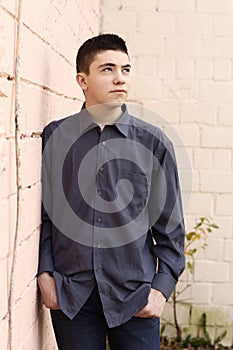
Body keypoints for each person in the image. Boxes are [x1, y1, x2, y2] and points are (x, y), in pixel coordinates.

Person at [37, 33, 185, 350]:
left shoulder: (153, 142)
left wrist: (161, 289)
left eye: (126, 69)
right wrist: (45, 274)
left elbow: (171, 228)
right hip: (72, 296)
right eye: (107, 69)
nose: (120, 78)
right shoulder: (56, 136)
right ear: (83, 79)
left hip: (135, 296)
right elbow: (48, 215)